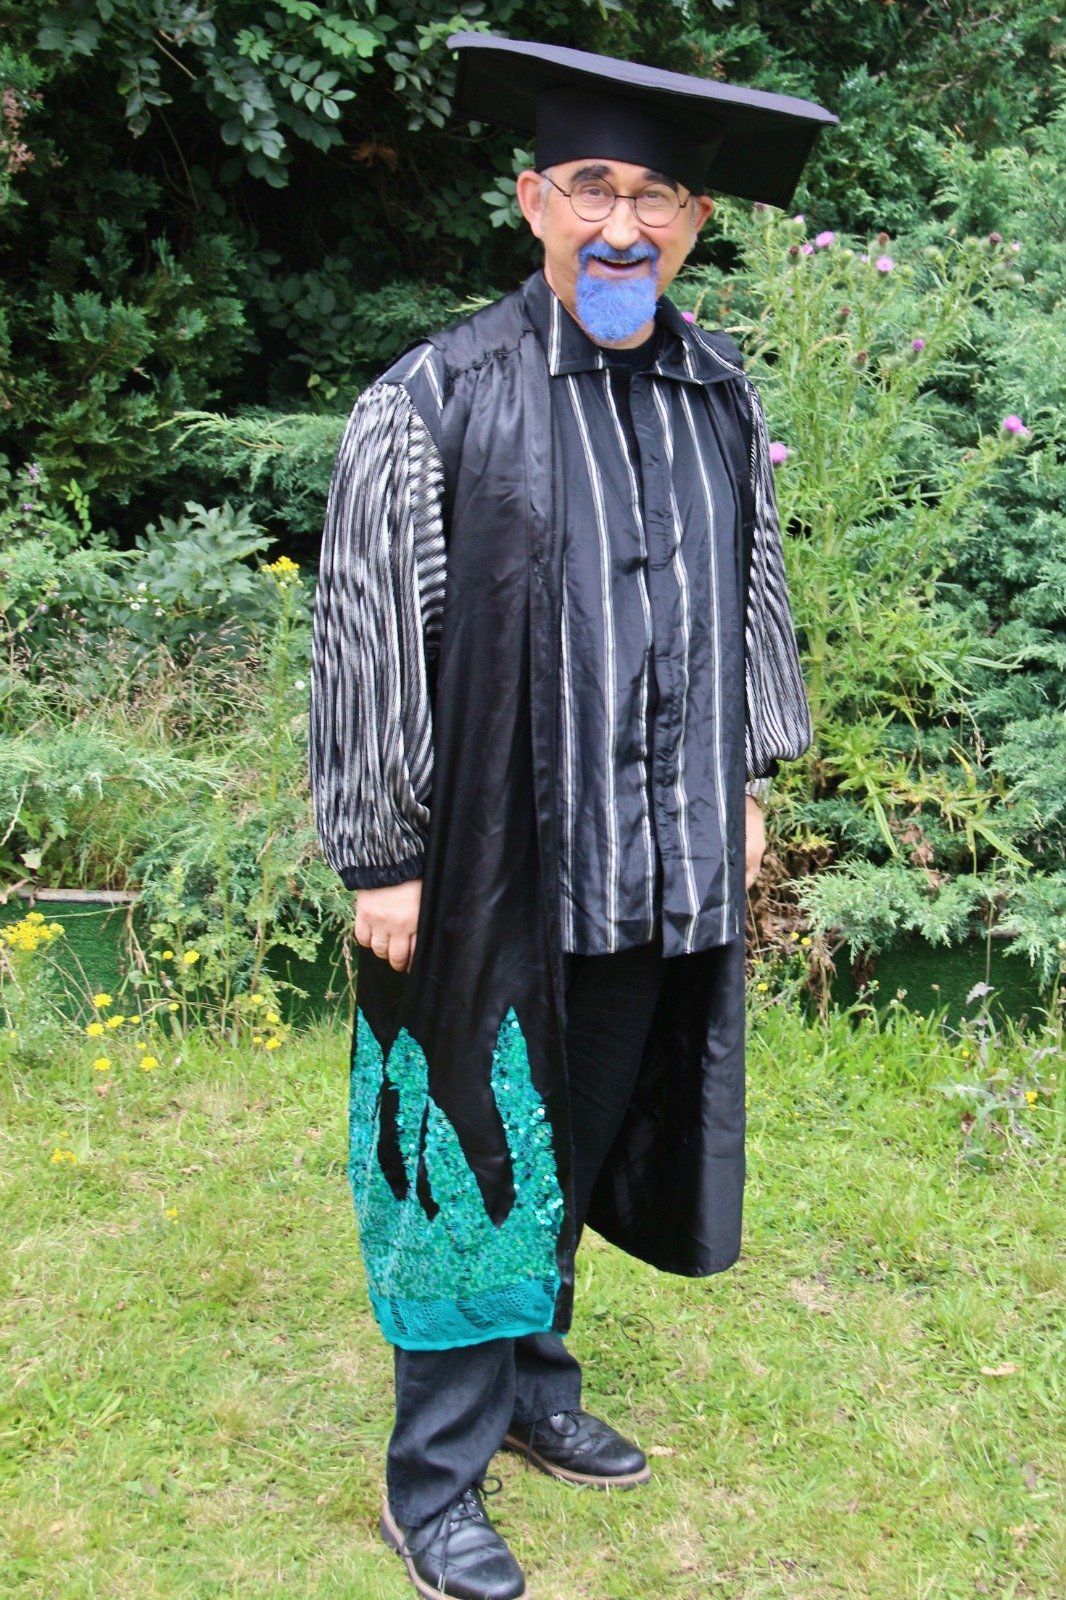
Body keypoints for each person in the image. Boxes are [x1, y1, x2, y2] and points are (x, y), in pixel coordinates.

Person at [309, 33, 834, 1600]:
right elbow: (366, 639)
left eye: (655, 197)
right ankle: (434, 1480)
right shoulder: (433, 400)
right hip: (484, 863)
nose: (621, 223)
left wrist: (744, 783)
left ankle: (537, 1386)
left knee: (582, 1127)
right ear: (531, 200)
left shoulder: (716, 393)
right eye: (590, 187)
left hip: (653, 851)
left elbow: (752, 599)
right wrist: (381, 855)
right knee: (467, 1148)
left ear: (694, 223)